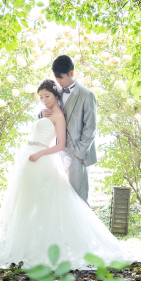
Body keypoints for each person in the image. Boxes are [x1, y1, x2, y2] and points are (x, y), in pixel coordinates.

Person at [0, 79, 138, 269]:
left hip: (41, 159)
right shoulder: (46, 112)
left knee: (47, 203)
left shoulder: (59, 116)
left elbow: (60, 145)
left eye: (47, 96)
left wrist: (39, 153)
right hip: (29, 158)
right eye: (41, 97)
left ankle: (48, 247)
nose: (44, 100)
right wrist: (41, 115)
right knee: (26, 202)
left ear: (56, 95)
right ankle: (27, 245)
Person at [40, 55, 97, 204]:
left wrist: (79, 154)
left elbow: (90, 128)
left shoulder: (87, 95)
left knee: (79, 200)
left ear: (71, 73)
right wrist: (41, 114)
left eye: (61, 78)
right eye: (56, 78)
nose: (58, 81)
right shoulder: (57, 93)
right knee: (64, 200)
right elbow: (48, 108)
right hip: (58, 152)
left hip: (77, 154)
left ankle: (84, 228)